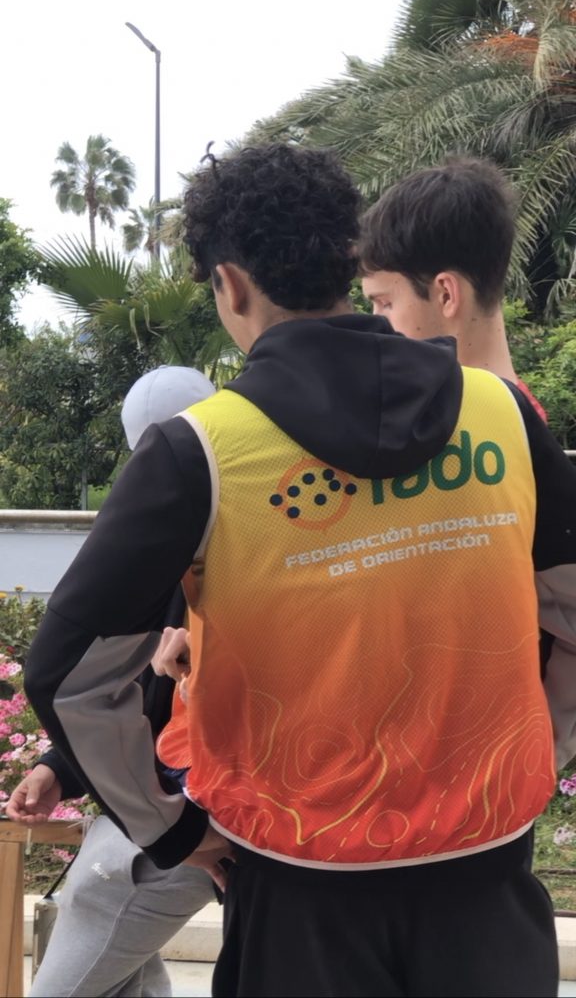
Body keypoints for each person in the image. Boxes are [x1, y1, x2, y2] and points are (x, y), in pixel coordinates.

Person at [23, 142, 576, 998]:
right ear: (348, 260)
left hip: (299, 896)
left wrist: (172, 831)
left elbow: (69, 674)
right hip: (486, 885)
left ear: (229, 284)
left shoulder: (199, 454)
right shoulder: (502, 415)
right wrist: (540, 746)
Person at [7, 366, 216, 998]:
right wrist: (58, 767)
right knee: (126, 979)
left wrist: (181, 834)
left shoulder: (205, 534)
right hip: (169, 816)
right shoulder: (167, 540)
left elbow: (75, 678)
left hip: (201, 818)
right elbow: (126, 687)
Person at [359, 156, 547, 420]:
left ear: (446, 295)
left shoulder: (415, 428)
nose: (375, 324)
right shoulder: (526, 426)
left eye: (385, 303)